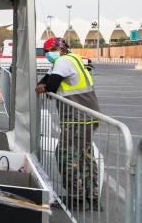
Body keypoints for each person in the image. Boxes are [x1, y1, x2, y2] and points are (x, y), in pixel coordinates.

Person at [35, 36, 102, 208]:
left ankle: (76, 196)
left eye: (50, 51)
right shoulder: (72, 59)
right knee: (84, 156)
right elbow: (44, 80)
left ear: (60, 49)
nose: (48, 55)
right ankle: (91, 196)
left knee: (65, 154)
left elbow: (49, 86)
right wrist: (44, 84)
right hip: (86, 115)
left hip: (78, 117)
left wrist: (45, 86)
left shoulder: (63, 62)